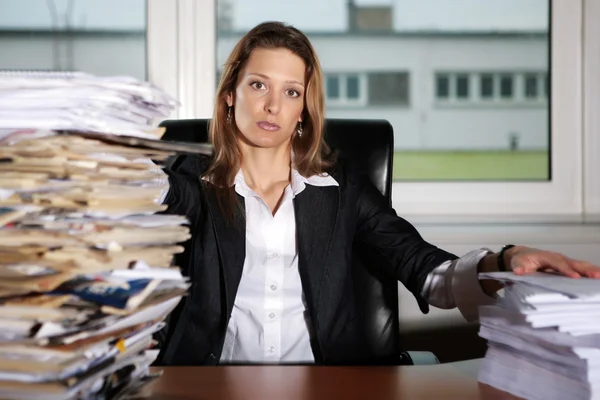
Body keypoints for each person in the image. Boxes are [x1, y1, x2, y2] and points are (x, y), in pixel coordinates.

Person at [154, 21, 600, 366]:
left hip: (324, 386)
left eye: (291, 91)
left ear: (303, 111)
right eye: (258, 85)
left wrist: (503, 261)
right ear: (230, 94)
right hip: (208, 384)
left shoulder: (342, 189)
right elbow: (132, 196)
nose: (272, 105)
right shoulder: (191, 181)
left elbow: (426, 269)